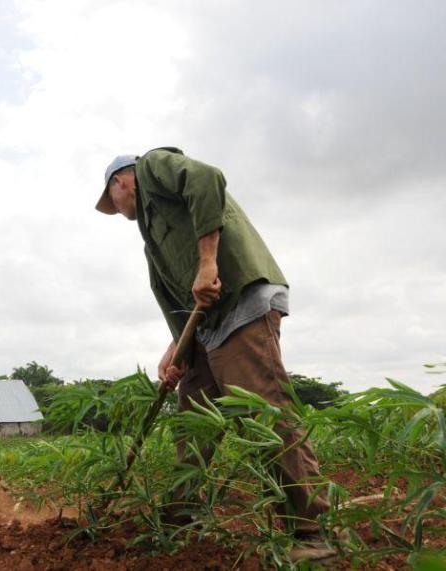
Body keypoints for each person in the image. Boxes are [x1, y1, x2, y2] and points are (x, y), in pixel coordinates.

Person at [95, 147, 337, 562]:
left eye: (111, 203)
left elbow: (208, 179)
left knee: (262, 411)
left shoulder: (154, 168)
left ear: (121, 182)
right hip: (208, 326)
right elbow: (182, 300)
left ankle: (310, 533)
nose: (116, 212)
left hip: (240, 303)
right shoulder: (152, 237)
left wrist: (209, 262)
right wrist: (177, 352)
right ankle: (181, 519)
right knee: (193, 413)